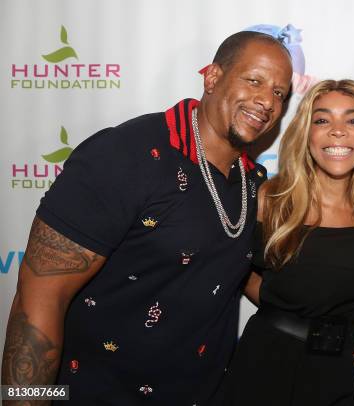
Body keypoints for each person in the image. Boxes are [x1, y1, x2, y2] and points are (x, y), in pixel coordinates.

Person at [1, 31, 293, 405]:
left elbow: (237, 274)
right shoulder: (126, 155)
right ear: (213, 77)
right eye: (254, 80)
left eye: (279, 93)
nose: (266, 100)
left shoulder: (251, 182)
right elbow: (39, 298)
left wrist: (326, 330)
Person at [218, 79, 354, 406]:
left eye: (353, 120)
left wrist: (350, 338)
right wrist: (290, 315)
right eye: (322, 120)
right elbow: (235, 270)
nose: (337, 131)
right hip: (265, 370)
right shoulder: (273, 199)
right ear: (306, 133)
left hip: (338, 378)